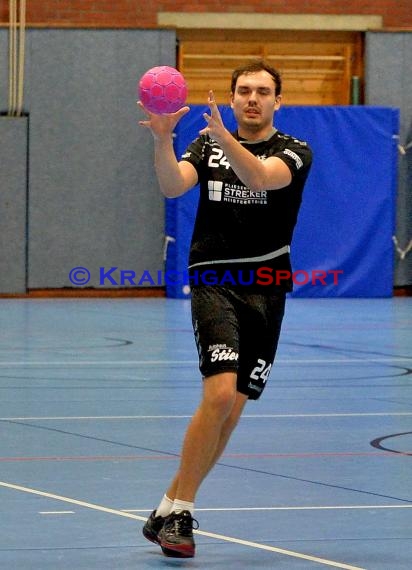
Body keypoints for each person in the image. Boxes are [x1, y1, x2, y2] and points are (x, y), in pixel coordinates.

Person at [138, 59, 312, 558]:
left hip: (268, 284)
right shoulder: (206, 144)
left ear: (278, 101)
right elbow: (173, 185)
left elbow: (260, 178)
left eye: (262, 91)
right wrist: (161, 139)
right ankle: (184, 513)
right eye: (243, 91)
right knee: (218, 395)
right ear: (232, 97)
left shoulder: (295, 152)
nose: (251, 99)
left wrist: (223, 137)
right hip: (215, 278)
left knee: (233, 409)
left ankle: (167, 508)